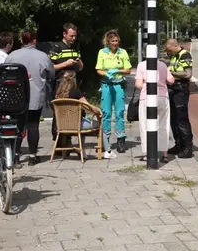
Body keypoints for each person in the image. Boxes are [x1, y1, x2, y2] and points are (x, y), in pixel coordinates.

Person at [5, 30, 56, 165]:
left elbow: (5, 73)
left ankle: (15, 156)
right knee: (33, 125)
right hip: (35, 96)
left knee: (17, 126)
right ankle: (33, 156)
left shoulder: (12, 56)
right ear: (34, 40)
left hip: (17, 97)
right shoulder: (42, 56)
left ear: (22, 41)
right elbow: (51, 73)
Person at [95, 29, 132, 157]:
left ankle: (121, 139)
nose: (115, 43)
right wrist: (107, 74)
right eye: (112, 41)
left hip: (118, 85)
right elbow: (98, 69)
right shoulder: (102, 53)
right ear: (108, 42)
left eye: (116, 41)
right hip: (106, 85)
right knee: (106, 113)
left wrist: (117, 71)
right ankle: (106, 142)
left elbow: (128, 69)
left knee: (120, 112)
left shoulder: (122, 52)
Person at [134, 56, 174, 162]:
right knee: (163, 124)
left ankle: (146, 153)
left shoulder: (141, 65)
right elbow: (171, 80)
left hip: (146, 98)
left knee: (145, 125)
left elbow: (138, 85)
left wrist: (145, 84)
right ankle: (164, 154)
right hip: (162, 97)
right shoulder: (163, 65)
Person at [54, 71, 107, 152]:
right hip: (76, 125)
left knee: (83, 119)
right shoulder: (75, 92)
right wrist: (98, 110)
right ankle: (107, 150)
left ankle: (81, 151)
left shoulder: (57, 93)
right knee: (99, 125)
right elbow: (88, 106)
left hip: (61, 125)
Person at [49, 23, 83, 144]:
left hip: (73, 84)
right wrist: (65, 64)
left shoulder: (75, 48)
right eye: (71, 36)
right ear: (64, 34)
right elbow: (50, 67)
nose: (73, 38)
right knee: (60, 111)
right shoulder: (57, 48)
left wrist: (79, 63)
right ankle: (58, 138)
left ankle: (68, 138)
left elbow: (81, 67)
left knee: (72, 110)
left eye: (75, 36)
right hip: (60, 85)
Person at [166, 38, 194, 159]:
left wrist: (170, 73)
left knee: (182, 119)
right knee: (173, 119)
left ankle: (187, 147)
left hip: (181, 89)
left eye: (169, 50)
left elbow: (188, 74)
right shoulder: (174, 56)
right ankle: (178, 144)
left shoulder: (185, 55)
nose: (168, 52)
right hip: (172, 89)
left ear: (175, 46)